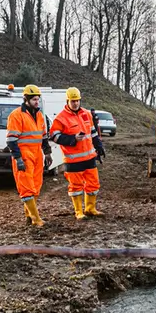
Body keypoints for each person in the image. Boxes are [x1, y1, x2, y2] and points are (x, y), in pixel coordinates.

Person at [50, 87, 106, 220]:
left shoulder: (86, 113)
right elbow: (54, 136)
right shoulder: (61, 118)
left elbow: (92, 132)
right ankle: (78, 211)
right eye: (73, 101)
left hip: (89, 157)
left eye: (77, 101)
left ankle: (90, 208)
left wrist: (99, 146)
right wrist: (73, 139)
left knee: (93, 184)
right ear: (67, 101)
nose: (75, 103)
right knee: (76, 187)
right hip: (73, 160)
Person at [6, 84, 53, 227]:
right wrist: (18, 158)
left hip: (37, 154)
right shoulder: (16, 115)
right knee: (26, 187)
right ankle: (36, 219)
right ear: (26, 99)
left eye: (38, 99)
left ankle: (29, 216)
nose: (36, 102)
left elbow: (43, 136)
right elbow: (11, 140)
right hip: (24, 154)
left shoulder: (39, 115)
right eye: (34, 99)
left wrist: (47, 153)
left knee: (36, 186)